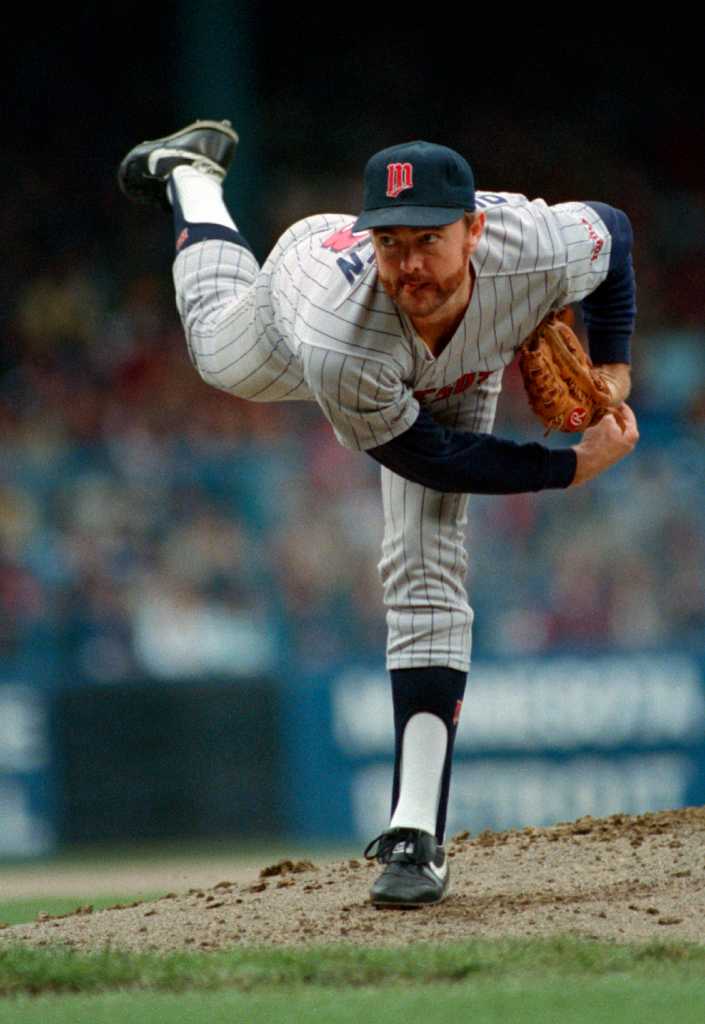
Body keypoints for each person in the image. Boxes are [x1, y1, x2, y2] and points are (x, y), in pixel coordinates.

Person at [118, 121, 638, 908]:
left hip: (457, 367)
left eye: (427, 240)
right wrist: (564, 468)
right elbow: (425, 455)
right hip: (309, 294)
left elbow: (616, 231)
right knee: (220, 357)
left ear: (474, 229)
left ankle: (414, 835)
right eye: (390, 242)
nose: (408, 263)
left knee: (425, 561)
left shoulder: (539, 247)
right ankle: (191, 178)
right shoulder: (338, 337)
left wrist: (612, 363)